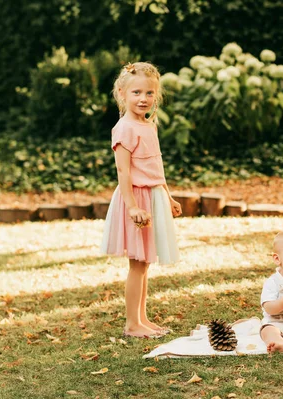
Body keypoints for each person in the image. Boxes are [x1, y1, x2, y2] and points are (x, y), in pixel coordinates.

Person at [100, 62, 182, 339]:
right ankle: (132, 324)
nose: (143, 99)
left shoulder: (148, 125)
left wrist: (168, 196)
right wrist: (133, 206)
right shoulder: (124, 129)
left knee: (144, 263)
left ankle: (142, 318)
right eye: (136, 92)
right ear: (121, 93)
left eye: (149, 93)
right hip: (136, 199)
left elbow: (155, 166)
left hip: (154, 196)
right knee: (137, 263)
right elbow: (123, 171)